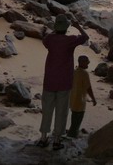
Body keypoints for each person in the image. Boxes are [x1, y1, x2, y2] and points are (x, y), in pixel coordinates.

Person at [36, 14, 89, 150]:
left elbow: (45, 39)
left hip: (49, 81)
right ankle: (57, 140)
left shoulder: (50, 39)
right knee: (61, 111)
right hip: (64, 82)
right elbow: (85, 37)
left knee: (47, 110)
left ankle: (43, 138)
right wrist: (78, 26)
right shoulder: (70, 40)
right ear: (66, 28)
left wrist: (56, 29)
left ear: (56, 27)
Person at [66, 55, 97, 138]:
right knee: (76, 123)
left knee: (74, 120)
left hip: (73, 100)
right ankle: (72, 136)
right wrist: (93, 99)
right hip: (80, 102)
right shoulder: (84, 73)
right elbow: (88, 88)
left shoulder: (74, 71)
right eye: (87, 62)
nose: (88, 64)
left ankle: (71, 134)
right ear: (82, 62)